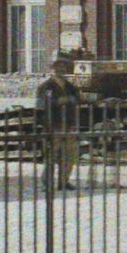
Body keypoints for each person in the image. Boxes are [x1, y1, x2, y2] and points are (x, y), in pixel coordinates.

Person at [37, 53, 85, 191]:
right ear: (52, 68)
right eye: (57, 66)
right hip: (53, 125)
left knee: (69, 155)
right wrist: (60, 101)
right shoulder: (46, 87)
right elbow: (42, 105)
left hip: (69, 124)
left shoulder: (71, 87)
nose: (60, 69)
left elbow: (78, 100)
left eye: (63, 66)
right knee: (51, 155)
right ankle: (48, 182)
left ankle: (64, 181)